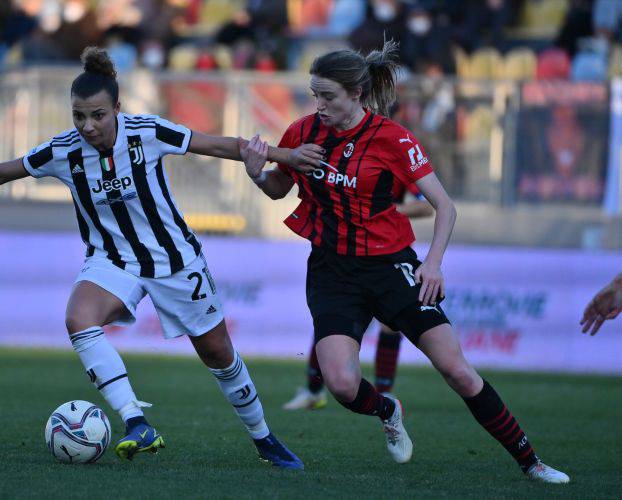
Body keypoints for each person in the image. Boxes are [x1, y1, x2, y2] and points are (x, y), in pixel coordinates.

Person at [0, 47, 321, 470]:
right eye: (78, 116)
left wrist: (286, 156)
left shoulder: (148, 133)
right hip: (113, 259)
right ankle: (137, 422)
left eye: (98, 115)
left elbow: (218, 145)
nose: (88, 125)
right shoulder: (63, 151)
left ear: (117, 107)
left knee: (218, 355)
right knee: (78, 319)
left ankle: (264, 439)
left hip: (174, 261)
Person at [239, 41, 569, 483]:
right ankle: (387, 408)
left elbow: (445, 207)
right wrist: (257, 172)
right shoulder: (302, 133)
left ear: (357, 93)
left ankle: (532, 462)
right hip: (331, 271)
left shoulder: (393, 139)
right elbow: (279, 189)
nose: (318, 106)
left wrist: (432, 265)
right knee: (339, 384)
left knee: (457, 370)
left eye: (328, 96)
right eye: (314, 94)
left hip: (391, 267)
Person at [283, 183, 433, 410]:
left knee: (389, 325)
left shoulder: (399, 157)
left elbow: (426, 207)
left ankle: (385, 396)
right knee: (332, 321)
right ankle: (313, 392)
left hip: (389, 251)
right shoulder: (342, 156)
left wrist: (383, 211)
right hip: (346, 252)